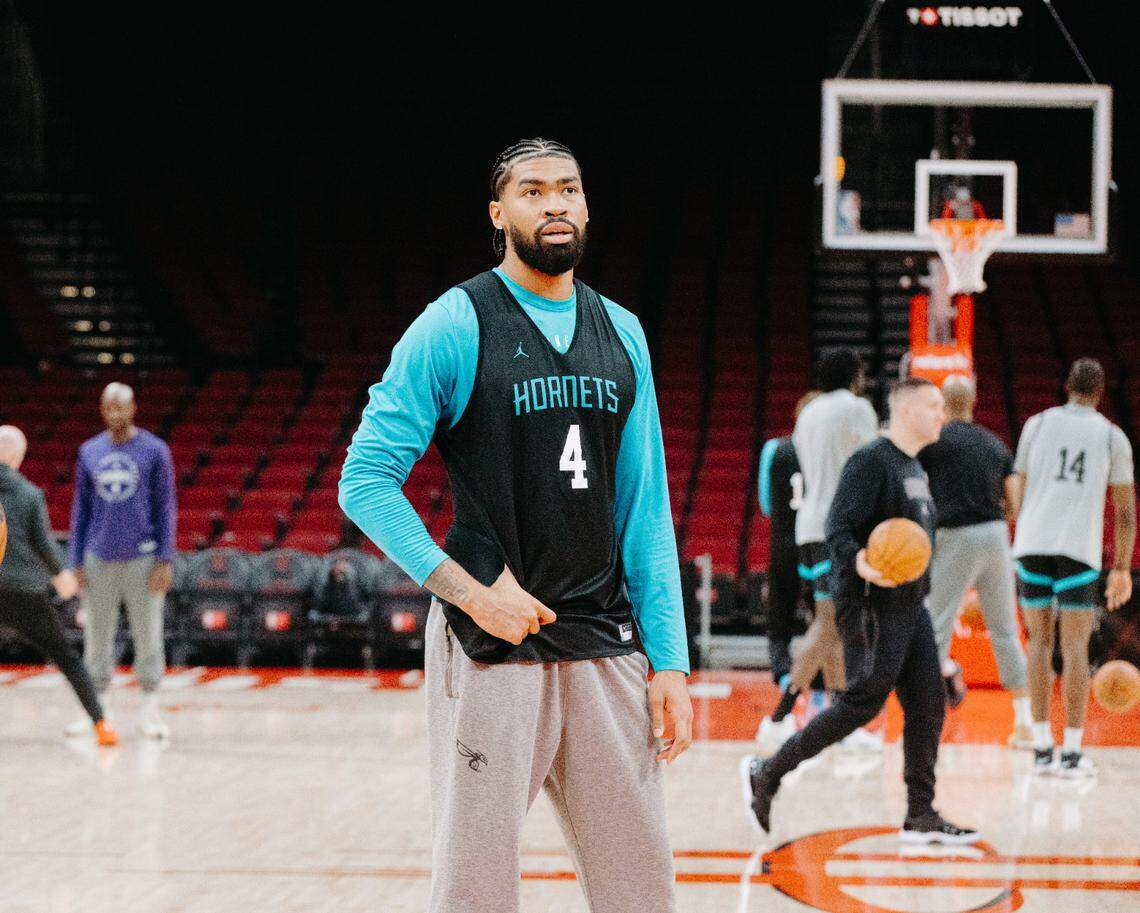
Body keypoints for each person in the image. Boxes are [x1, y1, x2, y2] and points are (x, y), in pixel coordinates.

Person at [339, 138, 692, 913]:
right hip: (494, 643)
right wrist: (467, 593)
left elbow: (645, 511)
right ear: (499, 214)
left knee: (643, 887)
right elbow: (364, 482)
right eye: (532, 191)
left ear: (587, 206)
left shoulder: (622, 332)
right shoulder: (456, 323)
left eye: (568, 188)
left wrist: (670, 661)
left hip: (604, 639)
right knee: (476, 887)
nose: (555, 203)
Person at [743, 377, 980, 846]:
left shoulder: (914, 467)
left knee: (929, 706)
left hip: (912, 606)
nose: (941, 414)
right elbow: (838, 527)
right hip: (872, 606)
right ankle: (768, 772)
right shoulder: (871, 461)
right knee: (860, 705)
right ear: (906, 409)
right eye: (933, 406)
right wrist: (862, 563)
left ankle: (920, 814)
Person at [1010, 358, 1135, 777]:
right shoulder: (1111, 436)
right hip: (1077, 550)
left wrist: (1019, 527)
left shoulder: (1037, 424)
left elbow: (1018, 484)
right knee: (1076, 649)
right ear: (1099, 393)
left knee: (1040, 645)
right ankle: (1073, 752)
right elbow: (1125, 512)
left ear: (1065, 386)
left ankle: (1042, 747)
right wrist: (1120, 567)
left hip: (1032, 544)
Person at [757, 348, 879, 751]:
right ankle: (779, 716)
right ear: (853, 375)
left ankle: (842, 723)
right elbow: (872, 464)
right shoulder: (858, 409)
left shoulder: (808, 413)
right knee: (830, 625)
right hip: (837, 528)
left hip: (807, 530)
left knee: (838, 626)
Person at [919, 376, 1031, 744]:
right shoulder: (994, 443)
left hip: (953, 536)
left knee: (937, 626)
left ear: (943, 404)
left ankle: (928, 712)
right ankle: (1025, 719)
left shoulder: (933, 442)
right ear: (974, 401)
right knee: (1004, 629)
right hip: (996, 536)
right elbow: (1014, 502)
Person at [67, 383, 176, 739]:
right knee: (97, 638)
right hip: (97, 557)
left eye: (121, 407)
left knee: (149, 636)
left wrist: (165, 558)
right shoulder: (89, 451)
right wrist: (76, 560)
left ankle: (149, 713)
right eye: (109, 407)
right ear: (101, 409)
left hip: (144, 558)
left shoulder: (155, 450)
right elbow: (80, 510)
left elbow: (166, 507)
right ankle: (96, 713)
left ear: (133, 409)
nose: (115, 413)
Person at [0, 426, 118, 746]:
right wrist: (61, 576)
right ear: (17, 457)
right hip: (24, 589)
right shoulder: (28, 494)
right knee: (67, 658)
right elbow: (44, 544)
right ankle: (101, 724)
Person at [757, 391, 818, 685]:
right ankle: (819, 678)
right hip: (816, 545)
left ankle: (782, 676)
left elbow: (766, 504)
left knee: (779, 616)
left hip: (783, 541)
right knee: (822, 617)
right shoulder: (824, 453)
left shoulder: (774, 448)